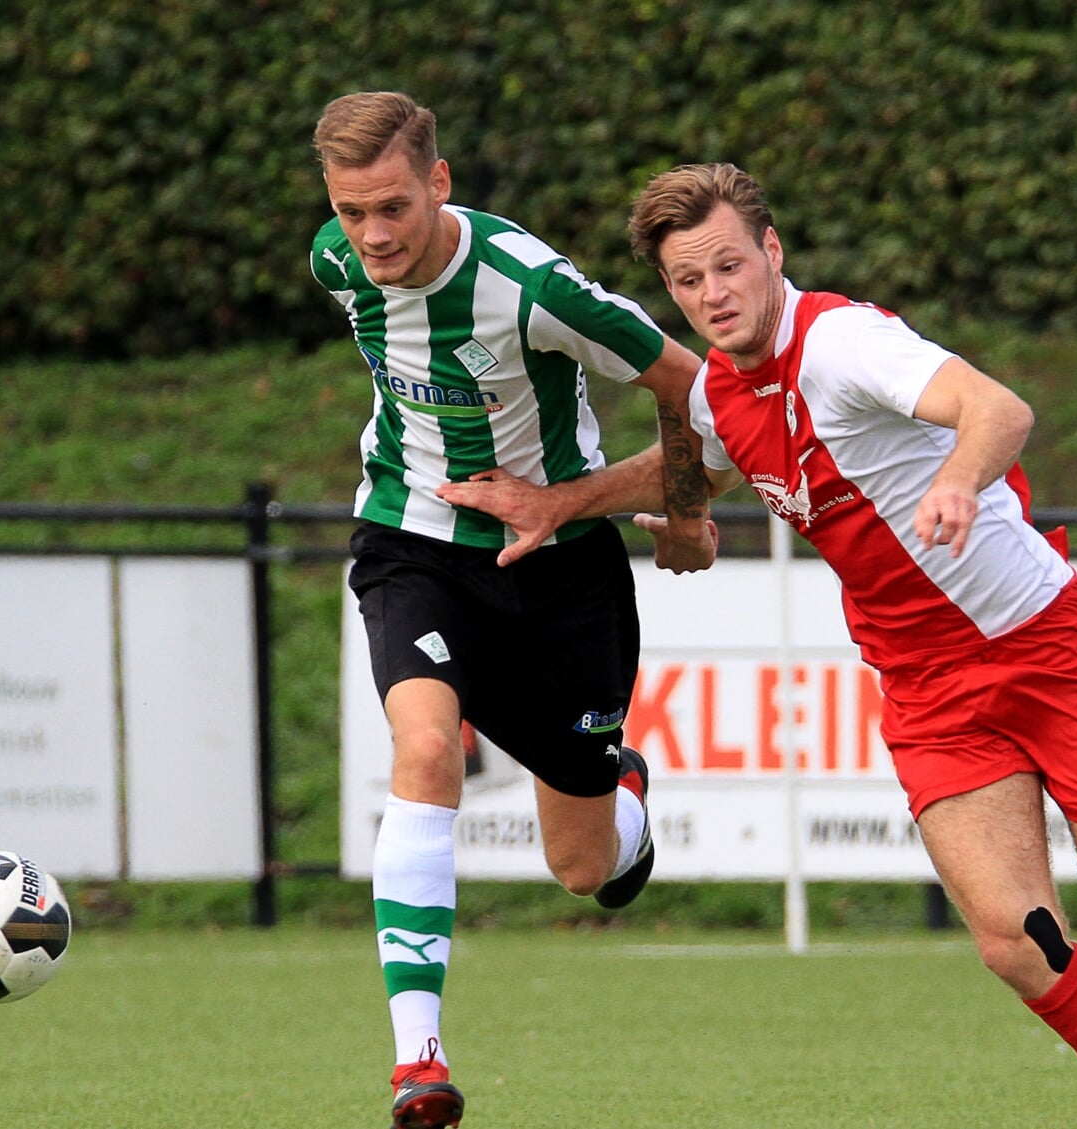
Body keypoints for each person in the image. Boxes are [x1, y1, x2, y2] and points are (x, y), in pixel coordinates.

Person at [436, 163, 1077, 1128]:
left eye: (729, 265)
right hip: (929, 691)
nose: (713, 294)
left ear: (772, 253)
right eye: (688, 281)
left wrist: (962, 481)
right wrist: (562, 503)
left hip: (1048, 648)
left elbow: (999, 410)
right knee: (1021, 944)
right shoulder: (720, 396)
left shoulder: (844, 344)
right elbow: (688, 472)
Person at [308, 93, 715, 1129]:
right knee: (426, 750)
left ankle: (618, 788)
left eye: (393, 205)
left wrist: (681, 510)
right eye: (352, 211)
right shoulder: (338, 264)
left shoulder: (530, 288)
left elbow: (694, 390)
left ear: (440, 182)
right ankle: (418, 1060)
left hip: (561, 566)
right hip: (412, 543)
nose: (375, 235)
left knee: (584, 868)